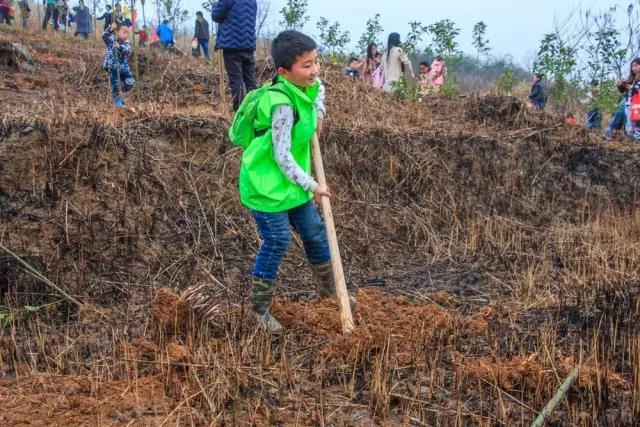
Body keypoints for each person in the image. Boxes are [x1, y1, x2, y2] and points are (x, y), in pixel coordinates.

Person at [236, 30, 350, 333]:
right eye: (306, 66)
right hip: (267, 186)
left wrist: (320, 113)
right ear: (284, 72)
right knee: (277, 241)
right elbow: (282, 156)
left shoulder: (309, 86)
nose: (314, 71)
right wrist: (313, 186)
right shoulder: (282, 106)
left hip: (292, 185)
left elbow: (320, 93)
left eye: (315, 62)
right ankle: (258, 309)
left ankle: (330, 294)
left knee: (314, 231)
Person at [211, 0, 258, 111]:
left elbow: (216, 16)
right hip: (248, 45)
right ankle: (256, 107)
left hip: (232, 46)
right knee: (250, 80)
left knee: (236, 81)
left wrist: (215, 5)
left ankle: (239, 111)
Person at [103, 21, 135, 108]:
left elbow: (127, 51)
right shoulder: (111, 40)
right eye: (124, 32)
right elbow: (104, 36)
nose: (126, 35)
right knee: (115, 85)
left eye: (127, 33)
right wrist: (110, 29)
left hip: (124, 68)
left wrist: (119, 47)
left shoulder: (126, 44)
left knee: (130, 82)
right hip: (113, 67)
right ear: (117, 32)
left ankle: (122, 93)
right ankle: (118, 102)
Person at [618, 58, 640, 140]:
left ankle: (637, 139)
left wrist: (633, 88)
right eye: (632, 66)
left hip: (637, 104)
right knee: (629, 124)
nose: (633, 68)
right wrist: (621, 85)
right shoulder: (631, 79)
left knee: (637, 123)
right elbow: (623, 91)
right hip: (629, 103)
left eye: (636, 66)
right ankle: (634, 139)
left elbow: (636, 90)